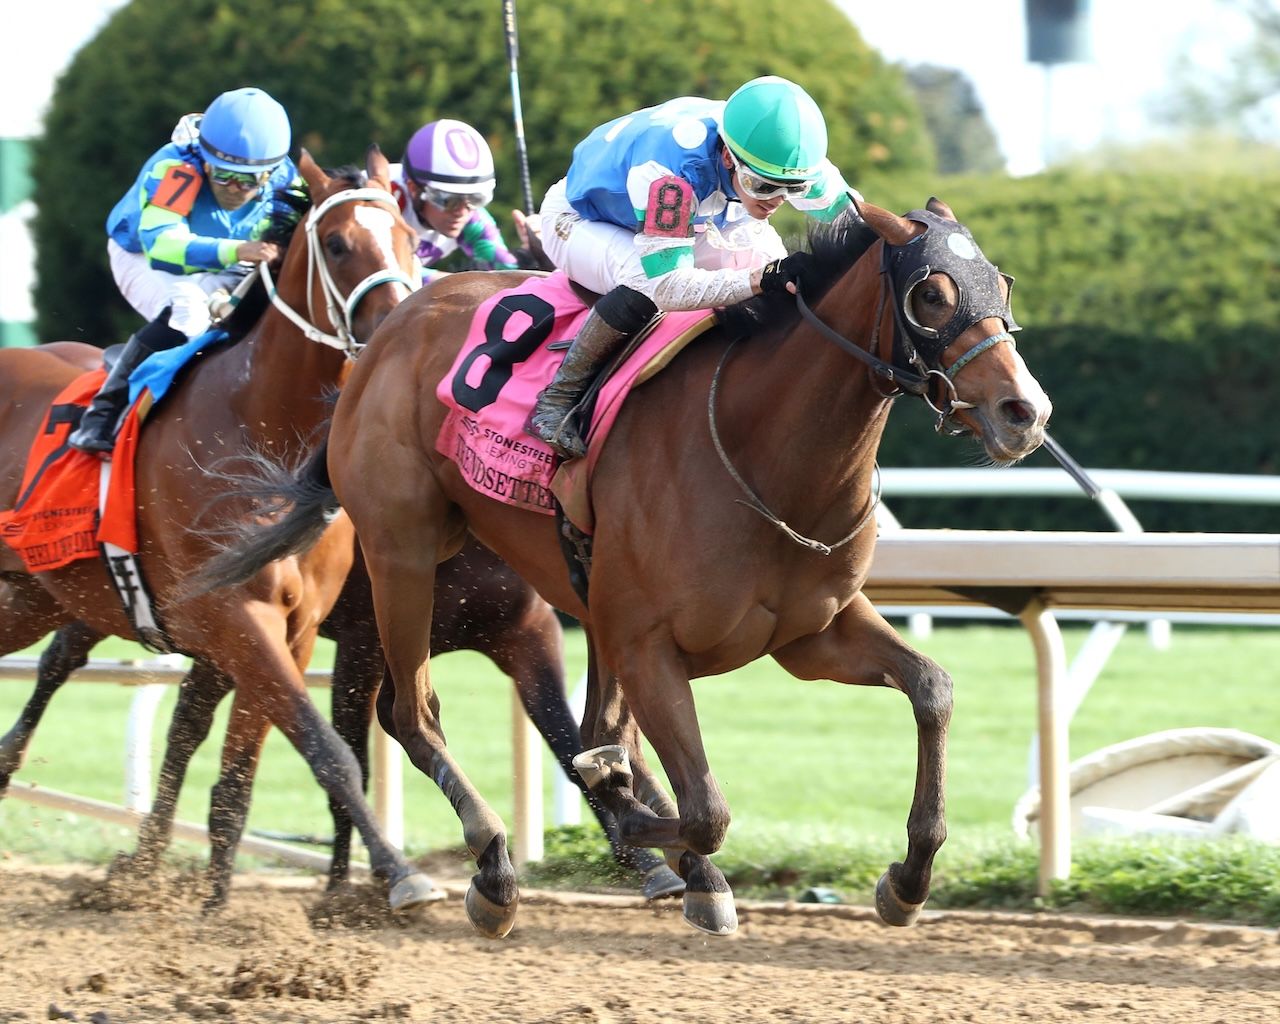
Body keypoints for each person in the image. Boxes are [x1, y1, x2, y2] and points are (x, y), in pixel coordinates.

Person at [528, 75, 861, 459]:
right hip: (582, 220)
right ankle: (558, 398)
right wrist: (759, 280)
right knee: (644, 279)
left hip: (701, 215)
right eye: (763, 187)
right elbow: (667, 287)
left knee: (782, 280)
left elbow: (859, 223)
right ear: (728, 157)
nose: (777, 201)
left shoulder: (786, 158)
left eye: (792, 190)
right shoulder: (671, 176)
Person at [70, 86, 297, 454]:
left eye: (248, 180)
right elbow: (162, 246)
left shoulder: (287, 180)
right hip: (144, 254)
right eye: (223, 175)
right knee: (188, 314)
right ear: (205, 160)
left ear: (271, 173)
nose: (234, 189)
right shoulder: (176, 168)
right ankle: (103, 413)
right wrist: (238, 249)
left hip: (227, 256)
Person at [387, 118, 522, 284]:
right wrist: (463, 284)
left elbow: (508, 275)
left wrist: (535, 253)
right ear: (413, 188)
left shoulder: (471, 218)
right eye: (449, 200)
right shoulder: (383, 204)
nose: (462, 212)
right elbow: (384, 273)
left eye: (476, 198)